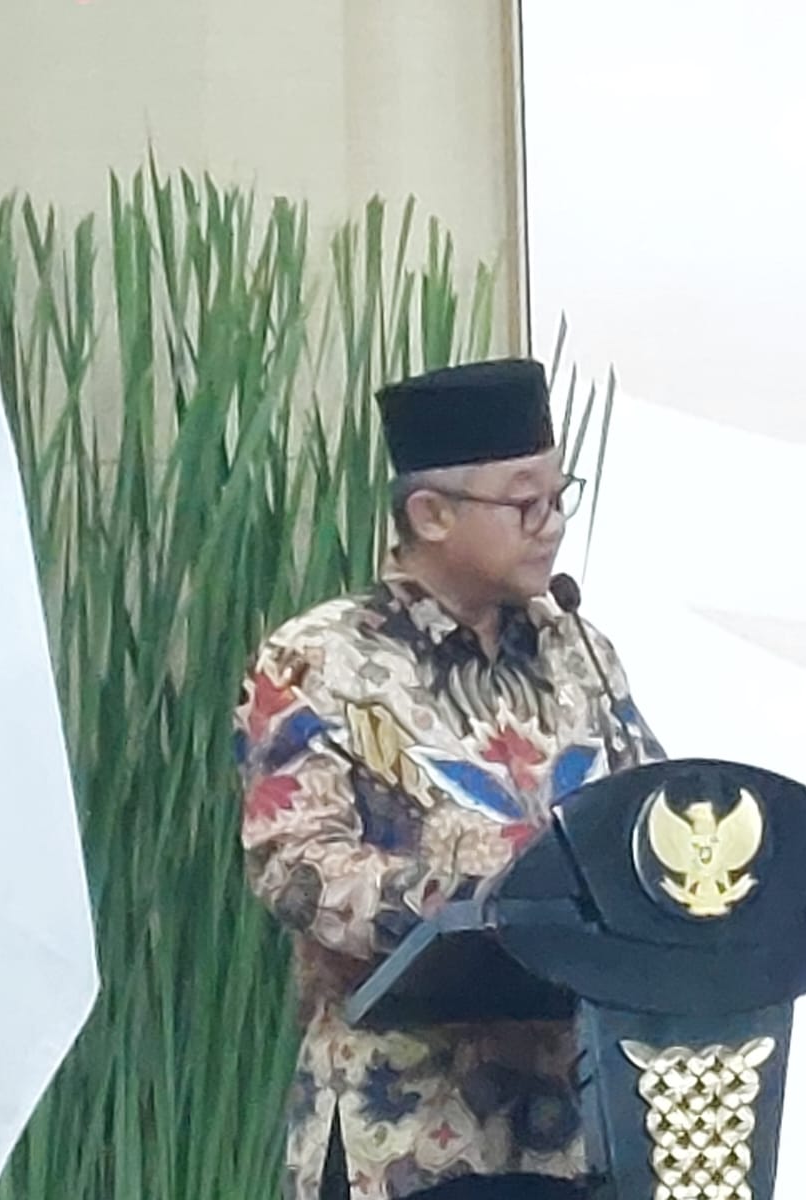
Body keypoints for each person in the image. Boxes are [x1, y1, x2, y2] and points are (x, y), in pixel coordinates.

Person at [236, 358, 662, 1200]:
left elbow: (642, 824)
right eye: (524, 503)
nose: (550, 527)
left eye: (559, 497)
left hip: (575, 1125)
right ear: (431, 514)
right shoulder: (319, 659)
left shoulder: (578, 652)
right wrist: (487, 898)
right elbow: (297, 868)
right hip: (400, 1129)